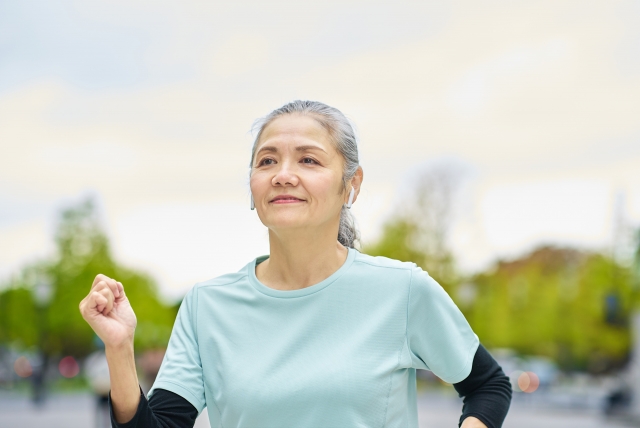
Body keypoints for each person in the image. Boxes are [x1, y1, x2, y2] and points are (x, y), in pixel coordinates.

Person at [79, 100, 512, 428]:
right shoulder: (205, 306)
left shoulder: (402, 290)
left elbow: (488, 386)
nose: (283, 174)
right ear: (252, 188)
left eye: (308, 159)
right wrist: (119, 350)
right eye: (267, 161)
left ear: (351, 185)